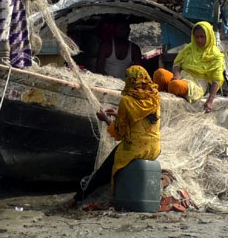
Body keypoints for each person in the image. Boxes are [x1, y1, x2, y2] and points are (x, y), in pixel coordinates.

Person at [65, 65, 161, 208]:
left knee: (103, 172)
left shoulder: (127, 101)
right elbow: (143, 121)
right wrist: (118, 115)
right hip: (154, 148)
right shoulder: (155, 98)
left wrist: (105, 119)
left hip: (134, 149)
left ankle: (77, 199)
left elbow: (119, 133)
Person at [153, 21, 224, 114]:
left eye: (202, 37)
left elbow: (216, 80)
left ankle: (168, 103)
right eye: (197, 37)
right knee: (160, 73)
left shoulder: (215, 55)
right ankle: (157, 102)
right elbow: (177, 63)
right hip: (182, 77)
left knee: (175, 85)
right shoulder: (190, 48)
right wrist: (176, 75)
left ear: (209, 36)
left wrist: (210, 101)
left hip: (197, 84)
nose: (199, 40)